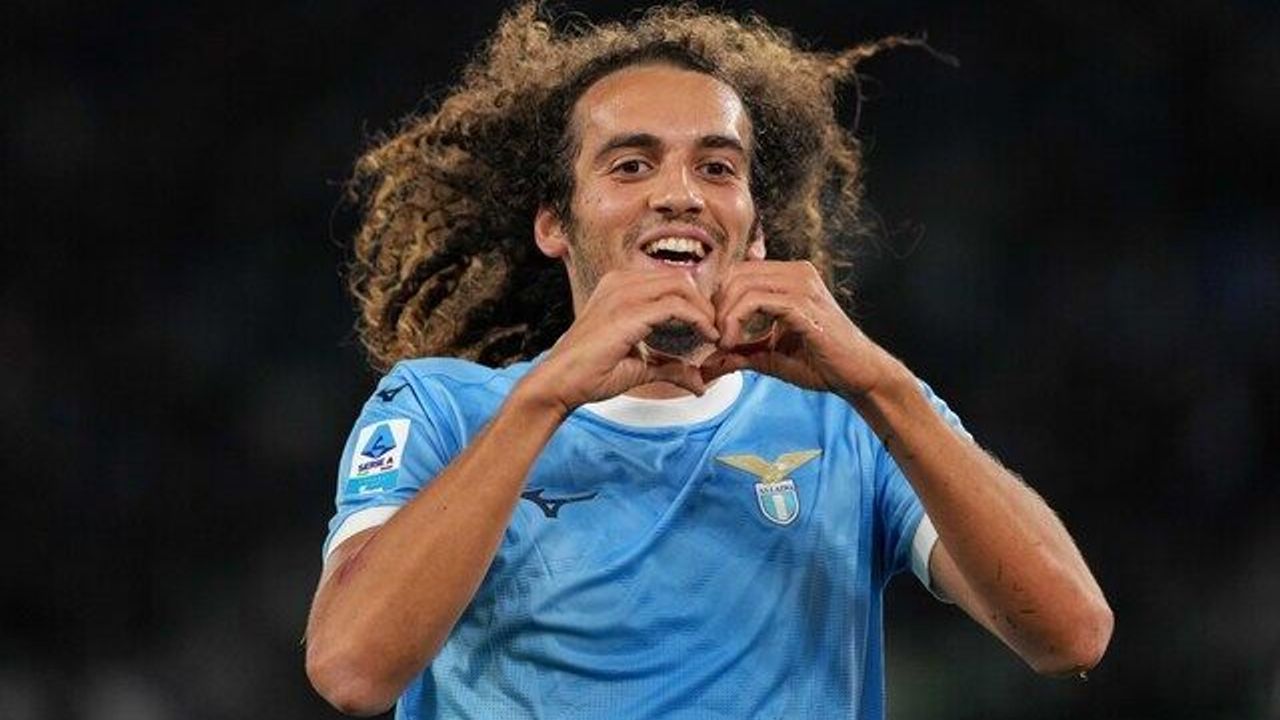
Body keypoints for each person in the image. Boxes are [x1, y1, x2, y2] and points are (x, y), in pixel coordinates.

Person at [304, 3, 1113, 718]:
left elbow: (1071, 635)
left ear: (755, 229)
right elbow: (352, 671)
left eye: (717, 167)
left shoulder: (857, 422)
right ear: (555, 223)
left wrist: (879, 382)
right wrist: (544, 399)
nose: (680, 194)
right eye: (631, 164)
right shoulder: (444, 410)